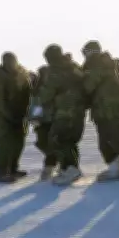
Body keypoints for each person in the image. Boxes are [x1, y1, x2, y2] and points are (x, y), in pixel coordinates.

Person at [81, 40, 119, 181]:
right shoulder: (111, 64)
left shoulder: (99, 65)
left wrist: (82, 76)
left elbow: (88, 86)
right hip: (106, 111)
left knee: (114, 141)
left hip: (112, 111)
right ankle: (115, 167)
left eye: (85, 52)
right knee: (105, 142)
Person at [37, 44, 89, 186]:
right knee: (70, 141)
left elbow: (46, 95)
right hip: (78, 110)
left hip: (64, 111)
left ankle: (71, 169)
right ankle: (68, 168)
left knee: (58, 139)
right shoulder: (73, 66)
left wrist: (39, 88)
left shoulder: (55, 72)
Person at [0, 52, 32, 183]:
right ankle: (1, 172)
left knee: (18, 142)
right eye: (8, 62)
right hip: (3, 116)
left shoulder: (22, 74)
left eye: (13, 61)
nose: (11, 64)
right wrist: (9, 116)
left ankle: (12, 168)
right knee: (5, 143)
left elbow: (27, 90)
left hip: (19, 114)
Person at [29, 65, 58, 180]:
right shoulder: (37, 88)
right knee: (41, 143)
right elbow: (36, 104)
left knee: (51, 145)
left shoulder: (54, 87)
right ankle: (53, 163)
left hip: (53, 120)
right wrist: (35, 117)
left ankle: (49, 167)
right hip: (42, 121)